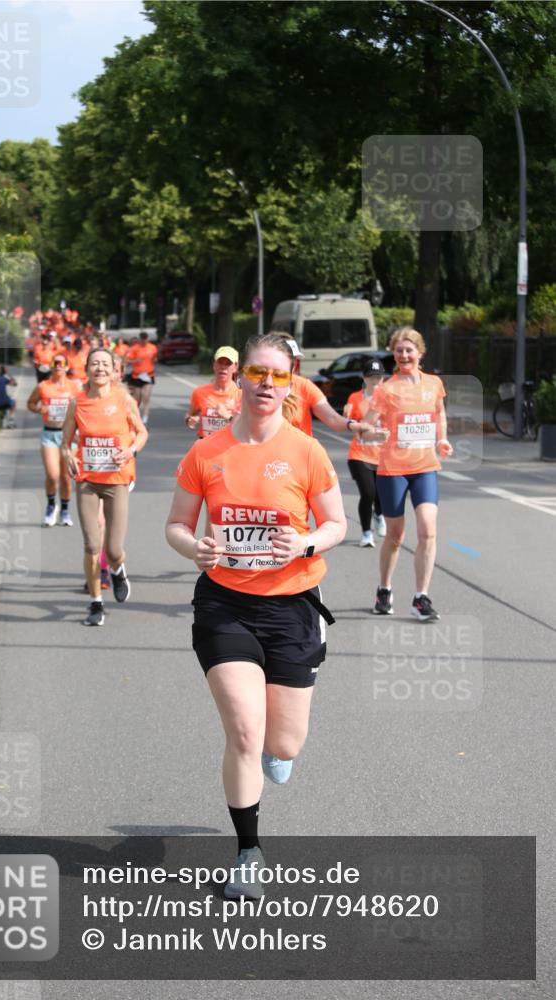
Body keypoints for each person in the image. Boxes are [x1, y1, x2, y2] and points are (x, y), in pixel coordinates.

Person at [166, 333, 346, 899]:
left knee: (284, 744)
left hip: (293, 605)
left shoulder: (307, 452)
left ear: (290, 382)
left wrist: (305, 545)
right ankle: (249, 851)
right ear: (241, 377)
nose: (266, 384)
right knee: (244, 729)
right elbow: (176, 524)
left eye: (279, 375)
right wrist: (193, 547)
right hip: (226, 604)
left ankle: (276, 748)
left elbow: (336, 525)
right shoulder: (207, 453)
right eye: (257, 373)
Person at [359, 327, 452, 621]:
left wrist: (442, 439)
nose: (404, 355)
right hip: (393, 470)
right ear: (393, 355)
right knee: (396, 535)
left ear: (420, 353)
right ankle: (384, 588)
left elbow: (439, 413)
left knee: (428, 530)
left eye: (409, 350)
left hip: (425, 468)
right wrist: (375, 432)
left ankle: (420, 597)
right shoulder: (386, 389)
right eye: (399, 351)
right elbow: (366, 425)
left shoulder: (434, 383)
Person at [61, 348, 148, 626]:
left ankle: (118, 568)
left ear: (113, 371)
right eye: (94, 363)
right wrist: (68, 459)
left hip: (116, 480)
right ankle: (95, 603)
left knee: (112, 548)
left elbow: (143, 432)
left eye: (105, 364)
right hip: (87, 480)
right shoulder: (78, 402)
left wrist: (131, 450)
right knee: (91, 544)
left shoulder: (124, 399)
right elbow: (65, 443)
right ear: (87, 369)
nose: (100, 368)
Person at [271, 334, 373, 437]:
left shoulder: (304, 386)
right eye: (287, 359)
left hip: (301, 450)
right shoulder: (261, 387)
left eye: (296, 360)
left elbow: (332, 418)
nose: (295, 365)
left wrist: (353, 425)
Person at [27, 354, 78, 527]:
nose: (58, 366)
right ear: (51, 366)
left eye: (62, 363)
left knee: (66, 477)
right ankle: (50, 506)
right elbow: (31, 404)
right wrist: (40, 407)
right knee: (52, 474)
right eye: (55, 363)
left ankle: (64, 510)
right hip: (50, 434)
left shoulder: (74, 387)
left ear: (67, 366)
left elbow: (84, 407)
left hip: (68, 436)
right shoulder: (43, 386)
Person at [344, 358, 387, 547]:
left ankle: (379, 514)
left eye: (378, 377)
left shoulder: (390, 399)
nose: (375, 381)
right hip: (359, 454)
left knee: (383, 495)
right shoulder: (355, 398)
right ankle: (366, 533)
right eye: (371, 377)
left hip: (384, 456)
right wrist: (347, 417)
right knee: (368, 492)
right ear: (364, 378)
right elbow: (348, 424)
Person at [185, 346, 242, 437]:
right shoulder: (199, 392)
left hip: (229, 448)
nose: (223, 367)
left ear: (235, 367)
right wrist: (190, 420)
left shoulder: (241, 395)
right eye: (220, 362)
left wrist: (227, 416)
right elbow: (189, 415)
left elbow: (247, 429)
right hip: (205, 447)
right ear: (214, 365)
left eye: (228, 363)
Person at [126, 331, 158, 424]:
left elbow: (155, 358)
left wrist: (155, 360)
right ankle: (136, 416)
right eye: (142, 339)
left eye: (145, 338)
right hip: (137, 375)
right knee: (138, 398)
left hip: (149, 375)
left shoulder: (153, 348)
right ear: (140, 339)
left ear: (147, 339)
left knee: (146, 397)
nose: (143, 340)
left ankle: (145, 418)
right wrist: (136, 360)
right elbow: (127, 360)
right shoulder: (135, 348)